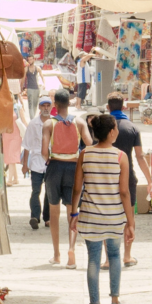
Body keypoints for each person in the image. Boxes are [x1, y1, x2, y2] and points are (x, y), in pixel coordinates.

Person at [69, 114, 135, 304]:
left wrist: (73, 213)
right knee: (114, 255)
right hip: (114, 216)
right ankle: (115, 301)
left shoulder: (85, 154)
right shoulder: (120, 156)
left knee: (93, 260)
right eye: (115, 128)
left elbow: (77, 188)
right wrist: (130, 221)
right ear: (111, 132)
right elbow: (124, 192)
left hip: (90, 216)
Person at [43, 89, 93, 268]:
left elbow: (43, 152)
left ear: (55, 104)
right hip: (73, 168)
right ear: (70, 103)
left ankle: (56, 254)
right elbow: (88, 143)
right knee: (73, 211)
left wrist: (50, 158)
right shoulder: (79, 122)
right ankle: (71, 249)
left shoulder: (49, 123)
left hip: (55, 167)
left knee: (53, 212)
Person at [103, 92, 152, 268]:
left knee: (107, 217)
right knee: (128, 216)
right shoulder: (132, 128)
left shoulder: (102, 127)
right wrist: (150, 180)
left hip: (106, 178)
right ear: (124, 106)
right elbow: (139, 156)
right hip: (128, 177)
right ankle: (127, 255)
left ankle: (108, 259)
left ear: (108, 107)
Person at [21, 96, 54, 230]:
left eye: (48, 105)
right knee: (36, 191)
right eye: (43, 105)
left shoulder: (54, 123)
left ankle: (47, 218)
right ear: (39, 107)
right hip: (35, 162)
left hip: (51, 161)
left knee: (49, 192)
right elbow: (27, 145)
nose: (45, 108)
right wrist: (25, 165)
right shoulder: (33, 123)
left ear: (51, 107)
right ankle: (34, 216)